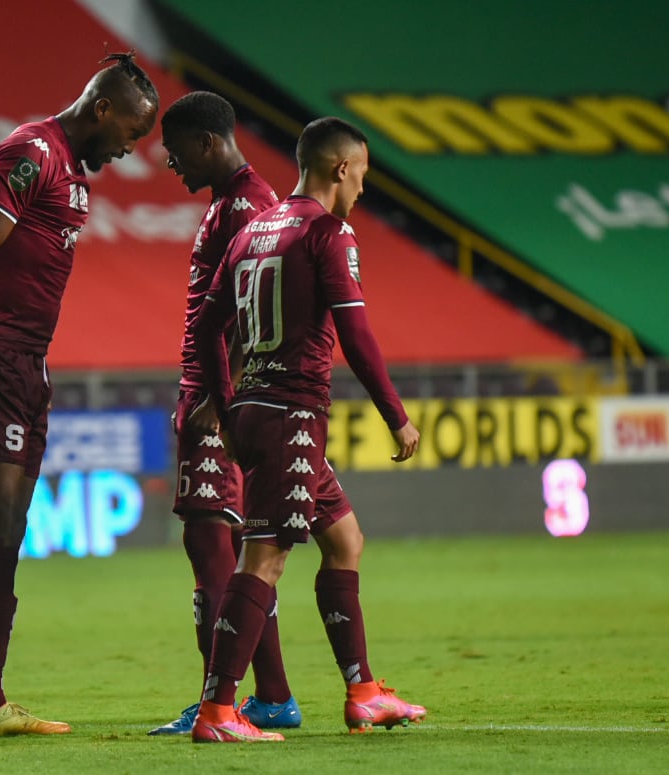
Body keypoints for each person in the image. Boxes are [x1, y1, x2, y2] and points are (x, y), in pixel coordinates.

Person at [0, 52, 159, 744]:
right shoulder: (32, 151)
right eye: (131, 132)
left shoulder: (73, 174)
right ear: (102, 108)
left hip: (26, 364)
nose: (130, 148)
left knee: (11, 532)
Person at [186, 117, 427, 742]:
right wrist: (395, 414)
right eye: (363, 175)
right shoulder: (328, 232)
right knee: (263, 559)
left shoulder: (251, 232)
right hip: (293, 414)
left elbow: (207, 329)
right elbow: (355, 332)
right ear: (340, 168)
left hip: (260, 412)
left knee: (344, 540)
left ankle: (365, 692)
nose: (363, 190)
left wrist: (227, 402)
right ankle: (218, 711)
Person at [149, 91, 300, 736]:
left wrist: (219, 394)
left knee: (212, 540)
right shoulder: (232, 203)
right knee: (227, 544)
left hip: (219, 393)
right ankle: (271, 695)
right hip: (209, 389)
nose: (170, 164)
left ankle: (226, 702)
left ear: (207, 141)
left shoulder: (246, 205)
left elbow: (259, 304)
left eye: (175, 150)